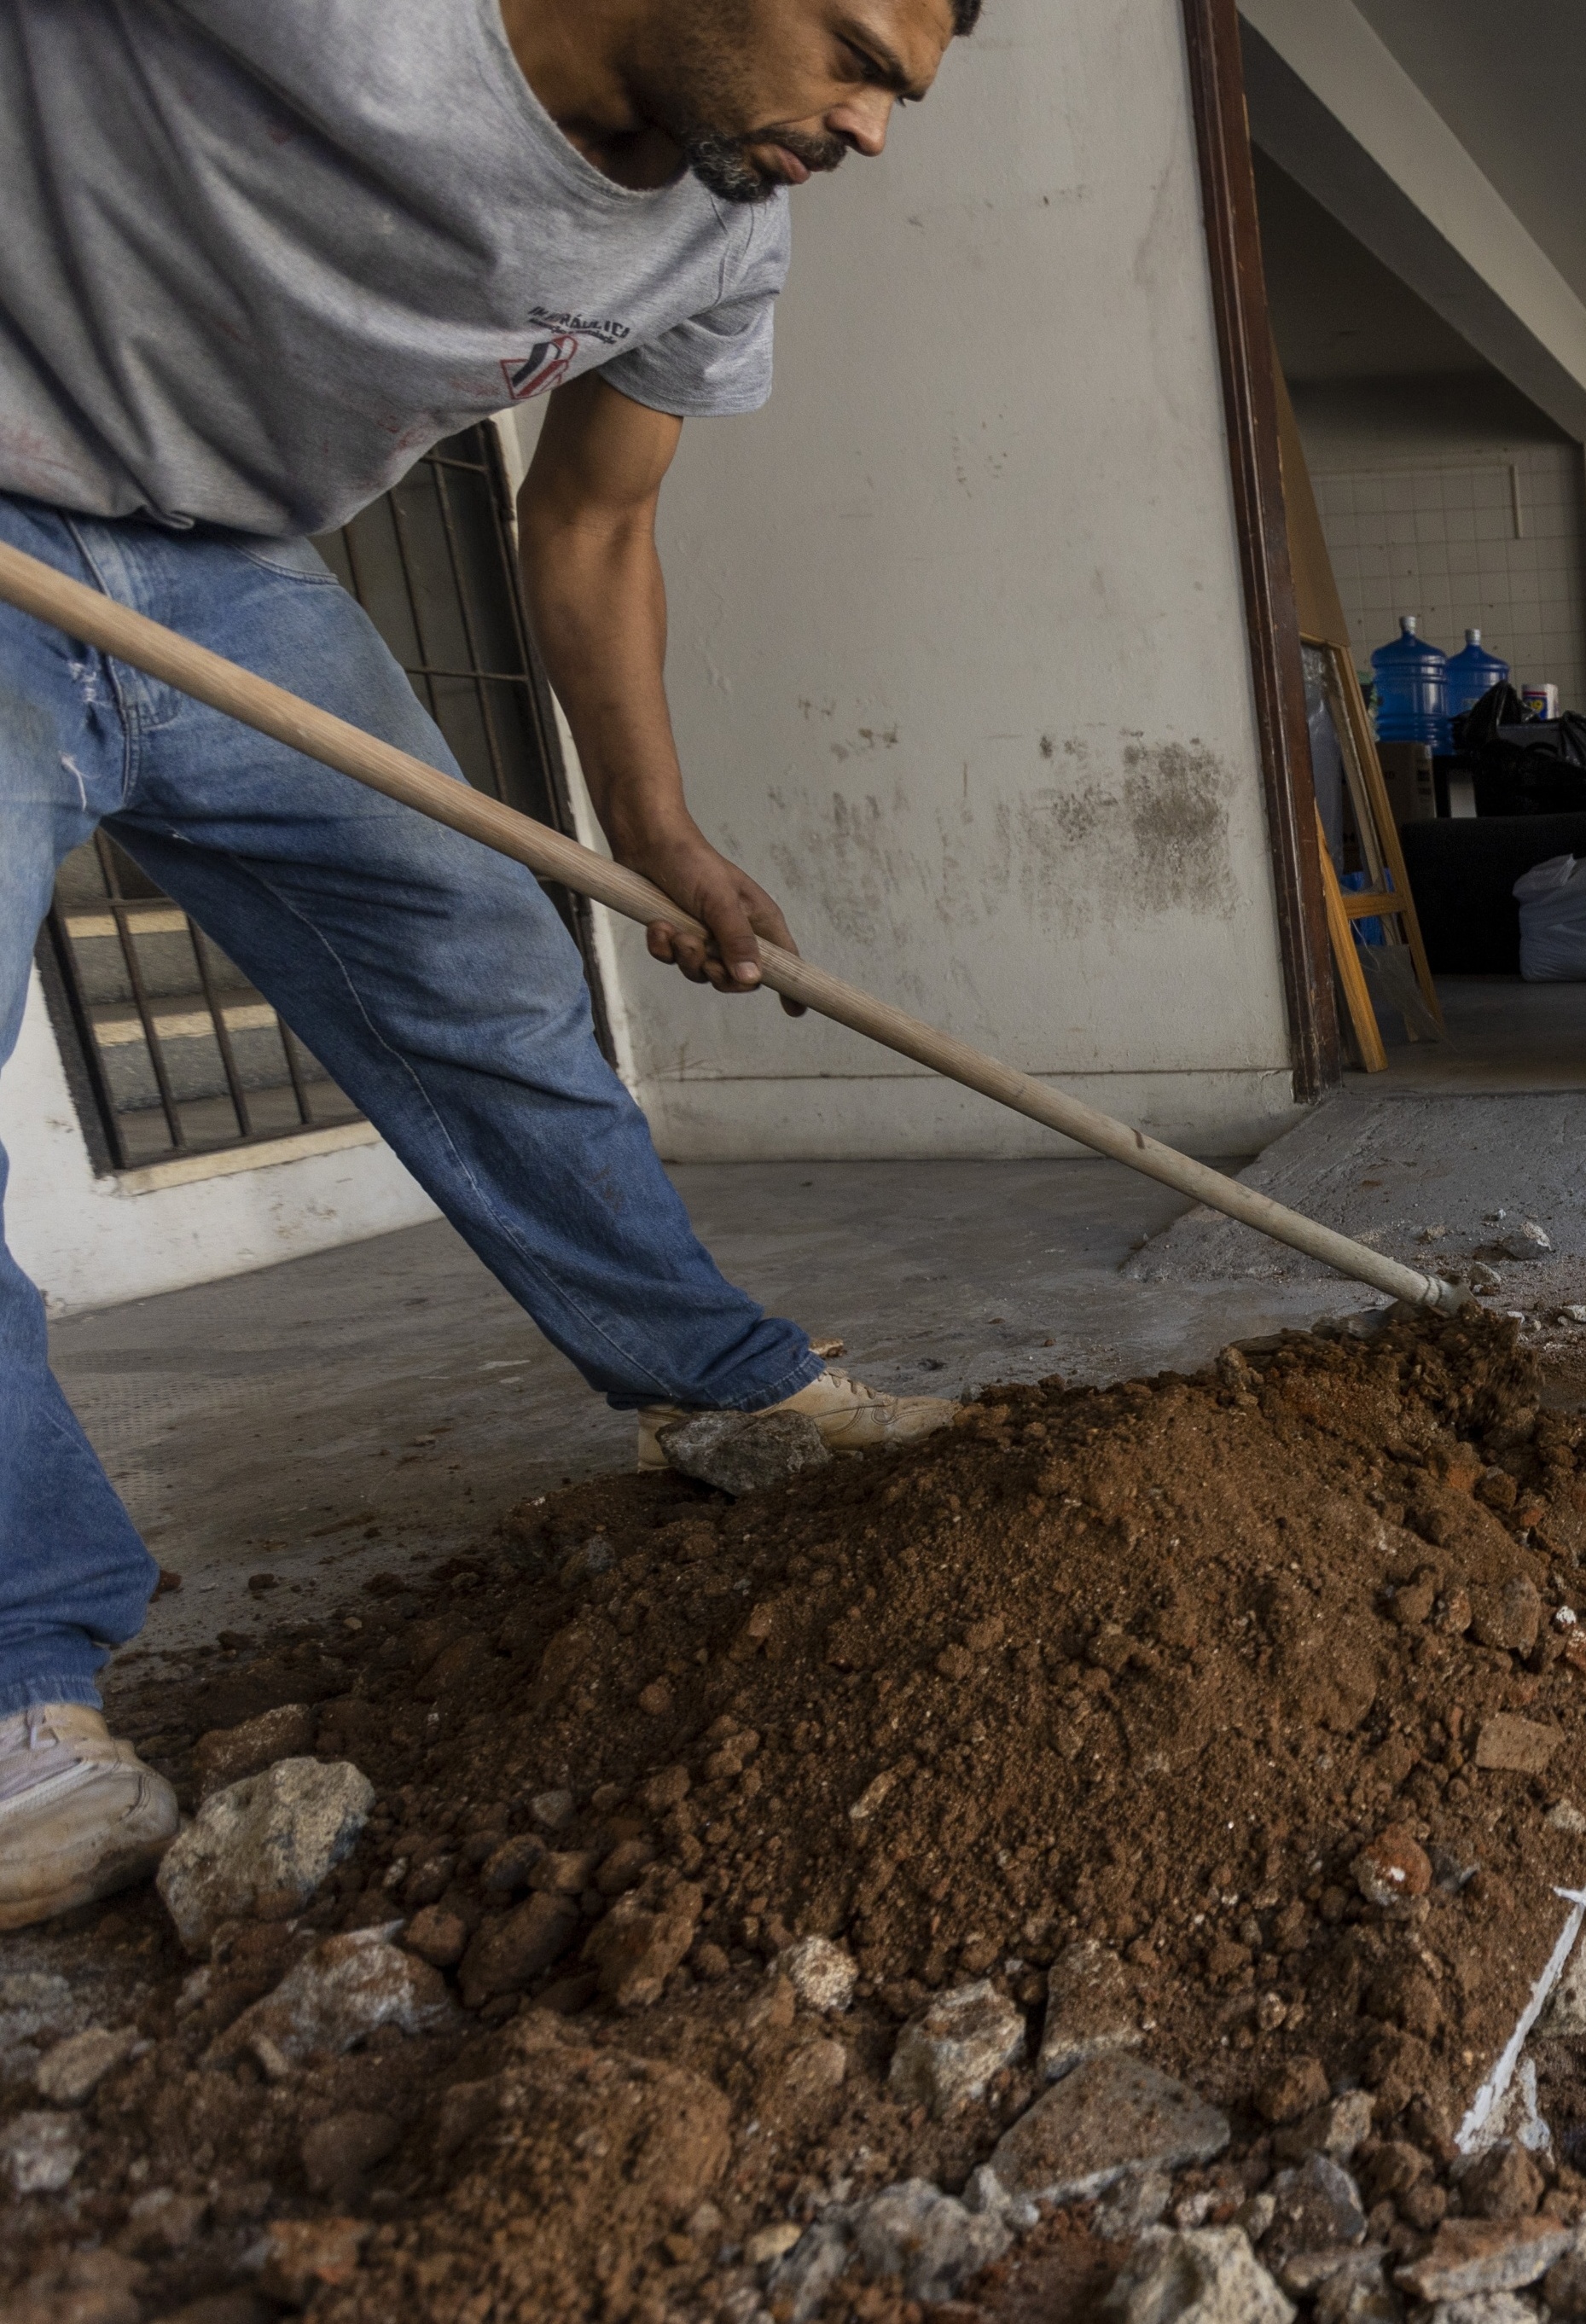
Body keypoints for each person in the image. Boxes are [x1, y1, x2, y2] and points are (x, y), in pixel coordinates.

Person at [0, 0, 982, 1928]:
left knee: (478, 970)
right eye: (858, 56)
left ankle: (719, 1385)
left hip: (222, 566)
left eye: (904, 95)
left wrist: (658, 830)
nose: (871, 129)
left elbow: (594, 521)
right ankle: (16, 1691)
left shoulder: (724, 232)